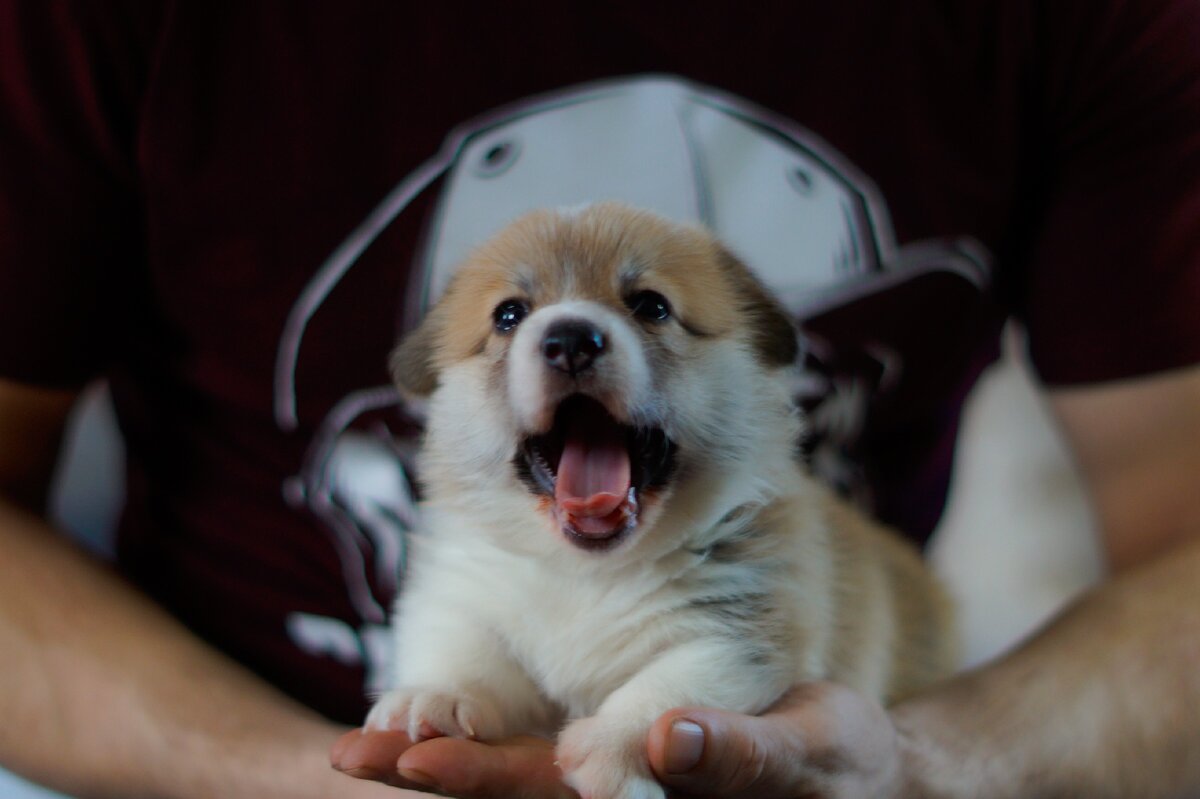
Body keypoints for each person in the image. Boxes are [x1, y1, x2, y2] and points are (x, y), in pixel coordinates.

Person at [1, 2, 1197, 798]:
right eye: (512, 320)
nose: (576, 334)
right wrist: (316, 778)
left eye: (654, 311)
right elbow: (461, 641)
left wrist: (931, 769)